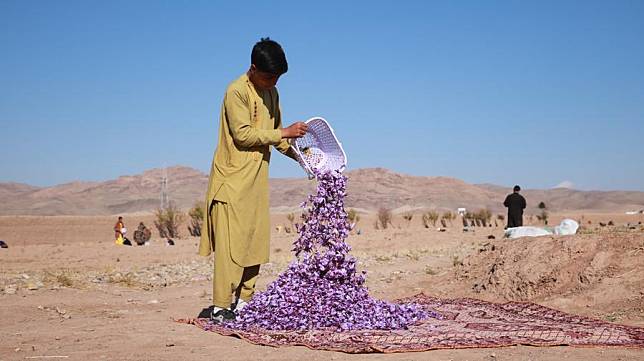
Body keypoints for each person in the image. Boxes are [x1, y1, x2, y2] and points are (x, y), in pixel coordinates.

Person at [198, 38, 307, 322]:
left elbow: (276, 137)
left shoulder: (272, 94)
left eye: (278, 79)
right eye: (269, 76)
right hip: (232, 182)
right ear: (253, 68)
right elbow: (244, 135)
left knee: (255, 243)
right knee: (230, 248)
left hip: (257, 183)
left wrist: (303, 157)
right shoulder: (236, 91)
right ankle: (221, 306)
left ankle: (245, 302)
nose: (273, 83)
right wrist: (284, 133)